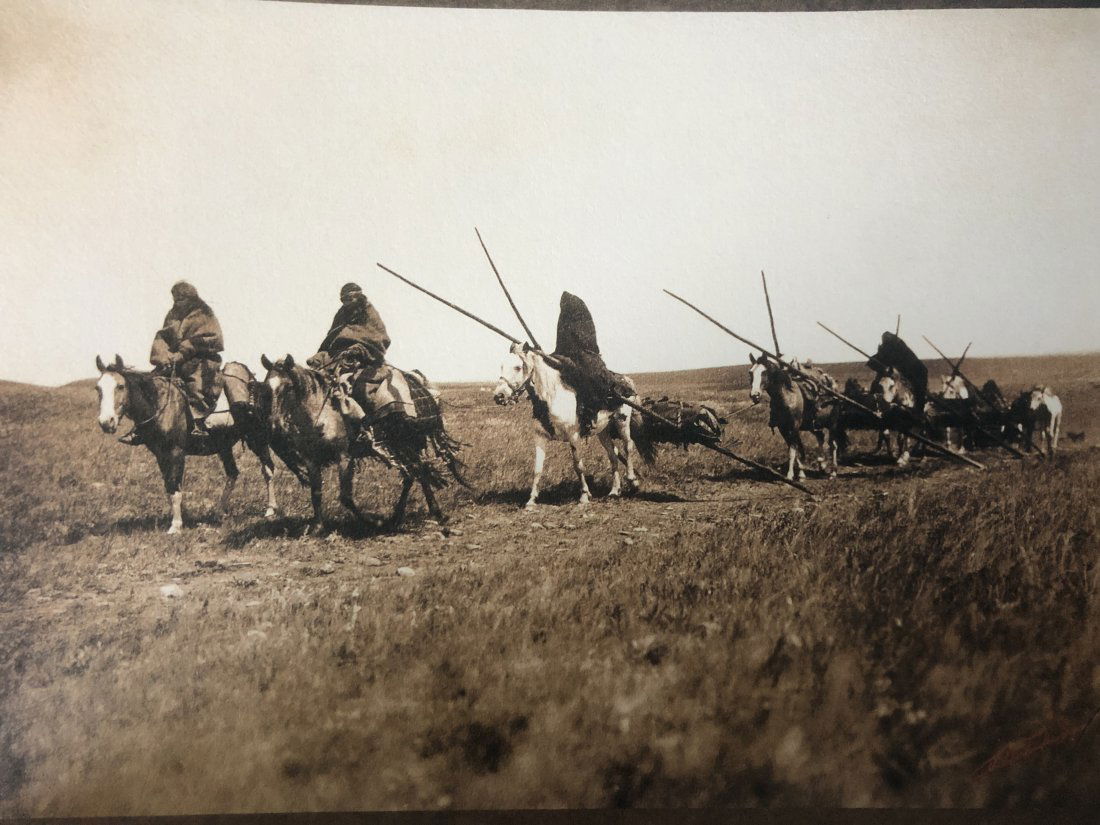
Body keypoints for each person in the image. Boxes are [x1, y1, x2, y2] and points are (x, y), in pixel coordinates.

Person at [121, 281, 224, 444]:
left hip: (201, 360)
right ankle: (141, 428)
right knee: (150, 384)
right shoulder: (173, 315)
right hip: (174, 361)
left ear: (191, 299)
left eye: (181, 299)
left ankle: (199, 423)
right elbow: (162, 336)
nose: (177, 303)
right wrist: (164, 356)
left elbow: (213, 338)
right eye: (175, 299)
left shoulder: (205, 314)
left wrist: (184, 351)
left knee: (194, 385)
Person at [307, 283, 392, 438]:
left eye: (349, 298)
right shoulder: (342, 314)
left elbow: (380, 338)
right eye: (343, 299)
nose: (346, 302)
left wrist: (358, 349)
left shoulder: (369, 313)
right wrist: (320, 355)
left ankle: (367, 426)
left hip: (366, 358)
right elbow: (332, 338)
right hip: (338, 357)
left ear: (358, 297)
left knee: (358, 388)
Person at [551, 291, 634, 432]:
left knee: (588, 376)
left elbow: (584, 341)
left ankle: (590, 414)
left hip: (587, 356)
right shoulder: (566, 320)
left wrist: (574, 353)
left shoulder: (581, 320)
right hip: (571, 355)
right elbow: (562, 343)